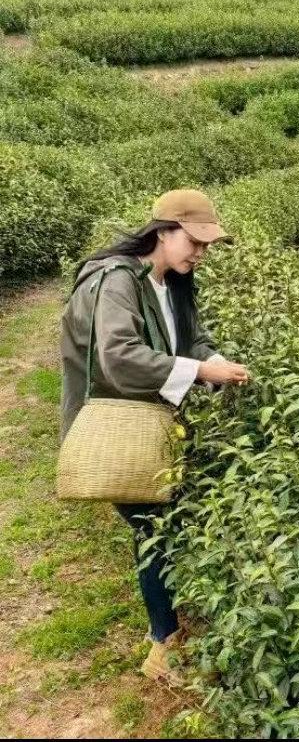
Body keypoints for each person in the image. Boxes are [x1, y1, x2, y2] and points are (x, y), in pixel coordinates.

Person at [59, 189, 250, 684]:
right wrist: (198, 370)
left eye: (207, 245)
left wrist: (215, 362)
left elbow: (192, 338)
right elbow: (117, 356)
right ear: (163, 231)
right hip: (117, 426)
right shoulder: (118, 281)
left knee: (164, 528)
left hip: (154, 427)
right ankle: (163, 648)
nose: (200, 252)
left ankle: (169, 634)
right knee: (154, 531)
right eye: (195, 241)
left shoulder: (174, 282)